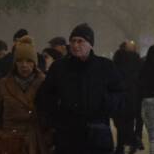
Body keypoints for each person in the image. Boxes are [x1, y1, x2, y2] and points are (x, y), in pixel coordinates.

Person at [36, 23, 126, 153]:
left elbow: (120, 94)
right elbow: (45, 96)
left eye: (80, 41)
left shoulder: (105, 67)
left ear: (90, 44)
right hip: (67, 137)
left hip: (97, 135)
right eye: (72, 41)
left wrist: (105, 102)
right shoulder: (59, 68)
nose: (75, 45)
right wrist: (55, 121)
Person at [0, 36, 50, 154]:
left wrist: (47, 138)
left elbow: (52, 113)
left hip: (36, 143)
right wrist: (0, 136)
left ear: (34, 63)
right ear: (15, 63)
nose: (24, 65)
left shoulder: (45, 84)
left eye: (28, 61)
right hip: (9, 143)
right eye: (20, 61)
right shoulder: (3, 85)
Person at [112, 41, 143, 154]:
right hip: (133, 95)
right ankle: (133, 140)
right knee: (129, 122)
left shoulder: (118, 58)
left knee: (120, 123)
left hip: (119, 95)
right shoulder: (136, 59)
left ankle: (122, 146)